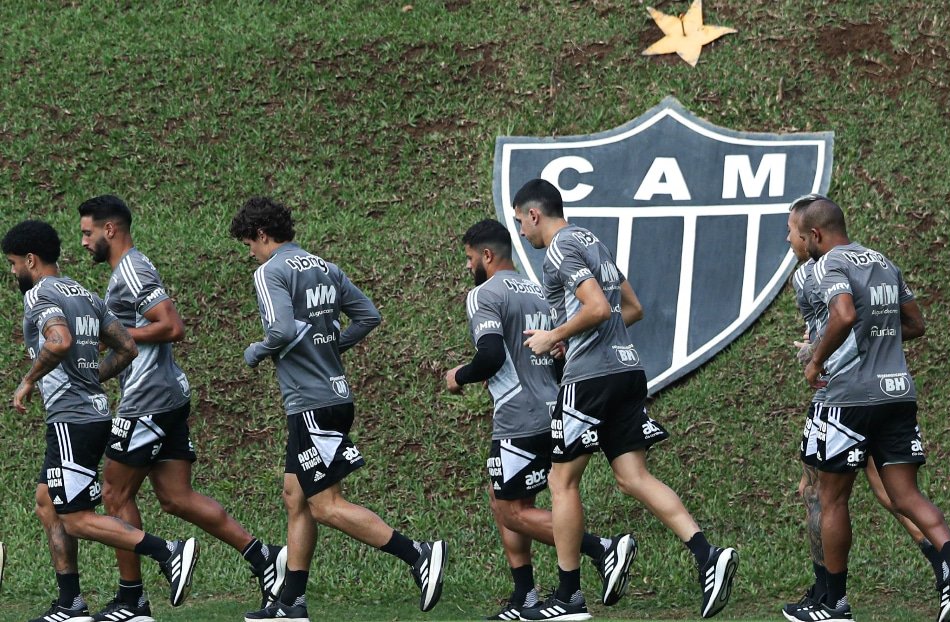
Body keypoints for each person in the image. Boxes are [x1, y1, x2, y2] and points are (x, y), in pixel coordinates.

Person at [509, 179, 738, 620]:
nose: (521, 231)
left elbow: (596, 308)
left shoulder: (559, 247)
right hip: (628, 371)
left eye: (521, 222)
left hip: (590, 380)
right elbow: (629, 308)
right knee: (633, 477)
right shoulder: (593, 241)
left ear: (535, 214)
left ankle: (569, 597)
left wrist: (554, 336)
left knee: (561, 483)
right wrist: (572, 340)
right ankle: (708, 555)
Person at [229, 197, 447, 622]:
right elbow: (368, 316)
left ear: (260, 235)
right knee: (296, 496)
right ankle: (291, 602)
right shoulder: (325, 267)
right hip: (334, 395)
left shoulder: (269, 271)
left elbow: (280, 329)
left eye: (248, 245)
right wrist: (329, 348)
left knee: (325, 504)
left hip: (310, 401)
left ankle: (418, 554)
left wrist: (256, 352)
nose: (249, 254)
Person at [77, 195, 287, 621]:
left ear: (110, 230)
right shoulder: (125, 271)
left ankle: (132, 600)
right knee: (176, 497)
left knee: (115, 493)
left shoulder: (133, 269)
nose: (83, 242)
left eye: (87, 232)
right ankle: (264, 557)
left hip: (149, 399)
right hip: (164, 395)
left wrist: (114, 333)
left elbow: (172, 326)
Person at [786, 196, 950, 622]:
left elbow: (842, 314)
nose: (791, 241)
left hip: (847, 400)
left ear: (815, 235)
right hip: (897, 393)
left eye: (795, 234)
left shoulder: (824, 266)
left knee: (830, 498)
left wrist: (817, 361)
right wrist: (875, 335)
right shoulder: (882, 261)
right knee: (905, 494)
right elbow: (914, 323)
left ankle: (834, 604)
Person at [3, 220, 200, 622]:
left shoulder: (40, 294)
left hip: (71, 422)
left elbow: (58, 341)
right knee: (47, 502)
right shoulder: (83, 292)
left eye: (11, 264)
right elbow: (126, 346)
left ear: (30, 259)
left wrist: (27, 381)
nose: (11, 273)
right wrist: (91, 378)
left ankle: (168, 551)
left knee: (75, 519)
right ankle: (70, 603)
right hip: (94, 414)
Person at [444, 219, 637, 620]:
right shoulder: (537, 290)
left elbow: (492, 355)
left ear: (486, 255)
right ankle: (524, 597)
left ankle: (600, 549)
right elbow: (558, 353)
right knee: (509, 501)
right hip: (552, 409)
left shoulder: (483, 294)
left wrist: (458, 376)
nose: (467, 267)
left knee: (509, 509)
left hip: (517, 416)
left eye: (468, 258)